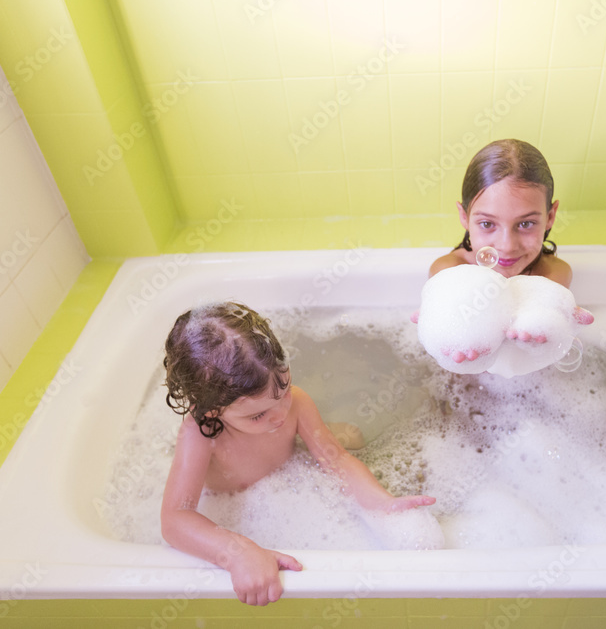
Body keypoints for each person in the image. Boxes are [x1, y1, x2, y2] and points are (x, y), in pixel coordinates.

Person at [160, 302, 435, 606]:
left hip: (289, 467)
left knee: (351, 437)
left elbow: (337, 460)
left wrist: (381, 503)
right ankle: (320, 430)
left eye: (285, 389)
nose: (279, 415)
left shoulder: (296, 403)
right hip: (242, 498)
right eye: (258, 416)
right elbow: (176, 518)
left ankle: (317, 431)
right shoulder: (199, 435)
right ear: (213, 411)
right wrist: (237, 552)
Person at [428, 138, 574, 288]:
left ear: (550, 216)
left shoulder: (553, 275)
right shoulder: (448, 273)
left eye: (526, 223)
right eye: (487, 224)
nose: (507, 246)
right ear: (464, 217)